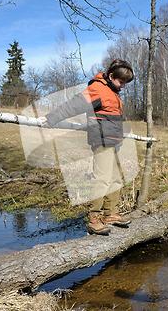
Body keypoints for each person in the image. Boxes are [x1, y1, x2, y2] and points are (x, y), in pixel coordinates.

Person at [38, 60, 134, 235]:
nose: (123, 87)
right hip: (102, 140)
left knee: (115, 179)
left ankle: (111, 213)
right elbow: (74, 105)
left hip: (113, 141)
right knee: (102, 179)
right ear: (111, 76)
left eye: (125, 83)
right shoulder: (98, 89)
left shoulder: (113, 91)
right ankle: (94, 219)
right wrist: (52, 117)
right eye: (121, 82)